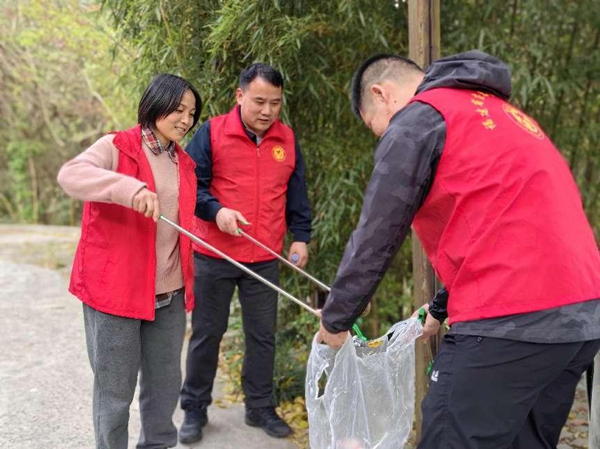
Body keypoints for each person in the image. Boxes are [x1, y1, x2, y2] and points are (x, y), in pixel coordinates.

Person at [318, 50, 600, 448]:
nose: (383, 135)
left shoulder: (417, 118)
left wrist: (336, 320)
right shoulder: (502, 114)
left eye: (374, 127)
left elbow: (377, 233)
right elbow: (505, 227)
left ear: (381, 94)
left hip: (509, 320)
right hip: (580, 318)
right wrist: (439, 309)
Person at [57, 74, 201, 449]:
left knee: (164, 389)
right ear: (156, 103)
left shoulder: (184, 163)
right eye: (179, 109)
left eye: (191, 113)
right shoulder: (116, 146)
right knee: (115, 394)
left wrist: (220, 218)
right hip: (116, 292)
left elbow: (181, 219)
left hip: (169, 294)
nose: (186, 119)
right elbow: (71, 175)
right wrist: (129, 188)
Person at [179, 63, 312, 443]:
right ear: (239, 96)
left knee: (262, 336)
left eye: (275, 103)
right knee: (207, 333)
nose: (267, 111)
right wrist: (217, 211)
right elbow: (191, 186)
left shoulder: (287, 139)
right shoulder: (211, 132)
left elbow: (297, 193)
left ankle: (259, 407)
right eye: (259, 101)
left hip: (265, 255)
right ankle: (194, 408)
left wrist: (301, 236)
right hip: (215, 253)